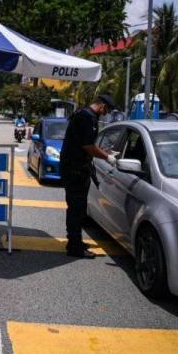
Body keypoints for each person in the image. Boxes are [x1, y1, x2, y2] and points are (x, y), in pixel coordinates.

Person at [60, 94, 118, 259]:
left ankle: (75, 241)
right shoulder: (87, 117)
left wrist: (106, 153)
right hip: (75, 170)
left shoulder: (84, 114)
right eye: (106, 110)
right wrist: (107, 157)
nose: (106, 114)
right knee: (76, 210)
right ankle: (74, 247)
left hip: (75, 168)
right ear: (102, 106)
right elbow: (88, 146)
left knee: (79, 208)